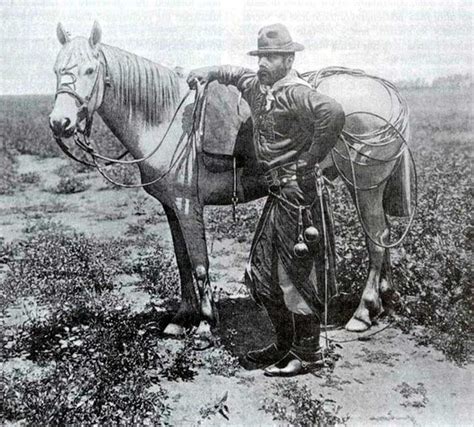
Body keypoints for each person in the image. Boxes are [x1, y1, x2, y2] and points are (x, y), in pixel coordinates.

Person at [187, 23, 345, 376]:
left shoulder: (295, 92)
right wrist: (207, 71)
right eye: (261, 56)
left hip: (298, 195)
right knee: (260, 273)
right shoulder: (257, 86)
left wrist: (310, 158)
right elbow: (233, 73)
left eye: (272, 57)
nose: (264, 63)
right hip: (278, 194)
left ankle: (308, 353)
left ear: (288, 59)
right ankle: (284, 344)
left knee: (296, 274)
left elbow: (333, 114)